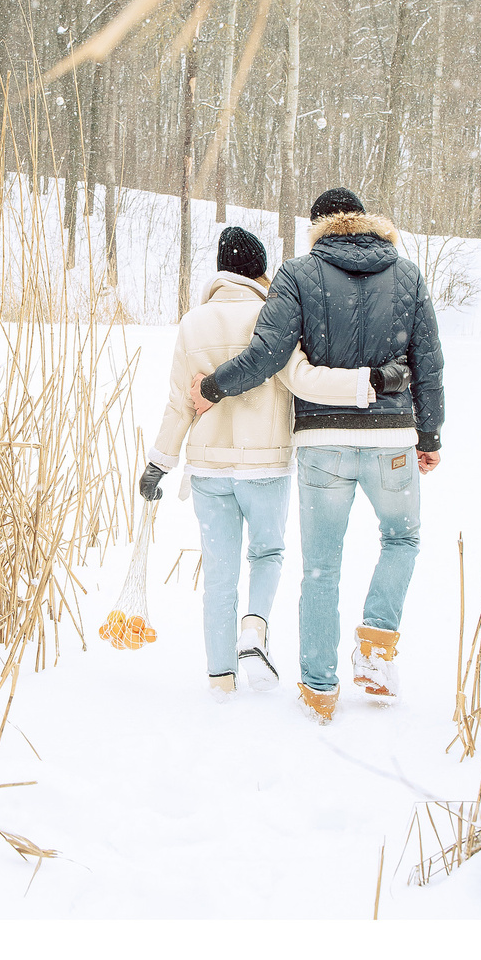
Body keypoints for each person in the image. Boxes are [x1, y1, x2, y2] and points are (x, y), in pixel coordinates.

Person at [190, 188, 446, 724]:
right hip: (392, 441)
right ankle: (376, 648)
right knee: (402, 539)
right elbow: (429, 361)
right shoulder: (407, 275)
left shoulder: (299, 274)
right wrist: (430, 436)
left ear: (318, 227)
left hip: (321, 443)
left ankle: (319, 689)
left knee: (321, 569)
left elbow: (266, 355)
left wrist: (213, 386)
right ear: (364, 222)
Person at [141, 226, 398, 696]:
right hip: (265, 466)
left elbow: (180, 403)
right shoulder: (272, 315)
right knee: (268, 552)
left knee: (219, 573)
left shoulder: (193, 323)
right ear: (258, 271)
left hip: (209, 468)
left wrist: (159, 462)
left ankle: (221, 679)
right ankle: (254, 629)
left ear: (219, 273)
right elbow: (300, 380)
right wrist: (363, 387)